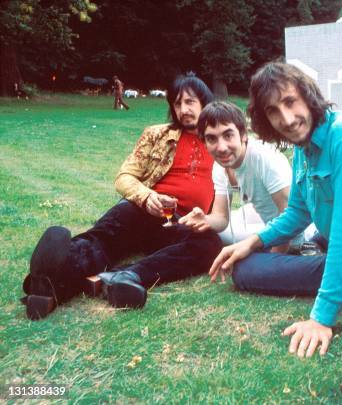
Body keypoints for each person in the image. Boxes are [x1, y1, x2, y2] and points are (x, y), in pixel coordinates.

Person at [209, 62, 342, 358]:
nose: (286, 119)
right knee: (247, 258)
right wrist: (253, 241)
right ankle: (319, 259)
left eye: (289, 102)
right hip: (333, 244)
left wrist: (321, 318)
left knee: (245, 272)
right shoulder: (304, 148)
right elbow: (297, 213)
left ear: (308, 95)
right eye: (273, 111)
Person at [22, 73, 222, 320]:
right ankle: (50, 281)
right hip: (143, 209)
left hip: (183, 223)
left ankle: (128, 276)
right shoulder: (157, 135)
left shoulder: (219, 140)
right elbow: (124, 176)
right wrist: (148, 197)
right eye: (177, 103)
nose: (183, 110)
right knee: (103, 239)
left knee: (209, 244)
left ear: (205, 102)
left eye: (190, 102)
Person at [178, 100, 293, 253]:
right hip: (262, 215)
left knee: (220, 238)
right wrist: (206, 220)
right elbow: (221, 217)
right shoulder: (220, 165)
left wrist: (273, 261)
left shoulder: (264, 158)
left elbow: (290, 218)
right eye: (212, 138)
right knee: (213, 232)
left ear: (243, 135)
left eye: (228, 135)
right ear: (204, 143)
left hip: (296, 233)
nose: (221, 148)